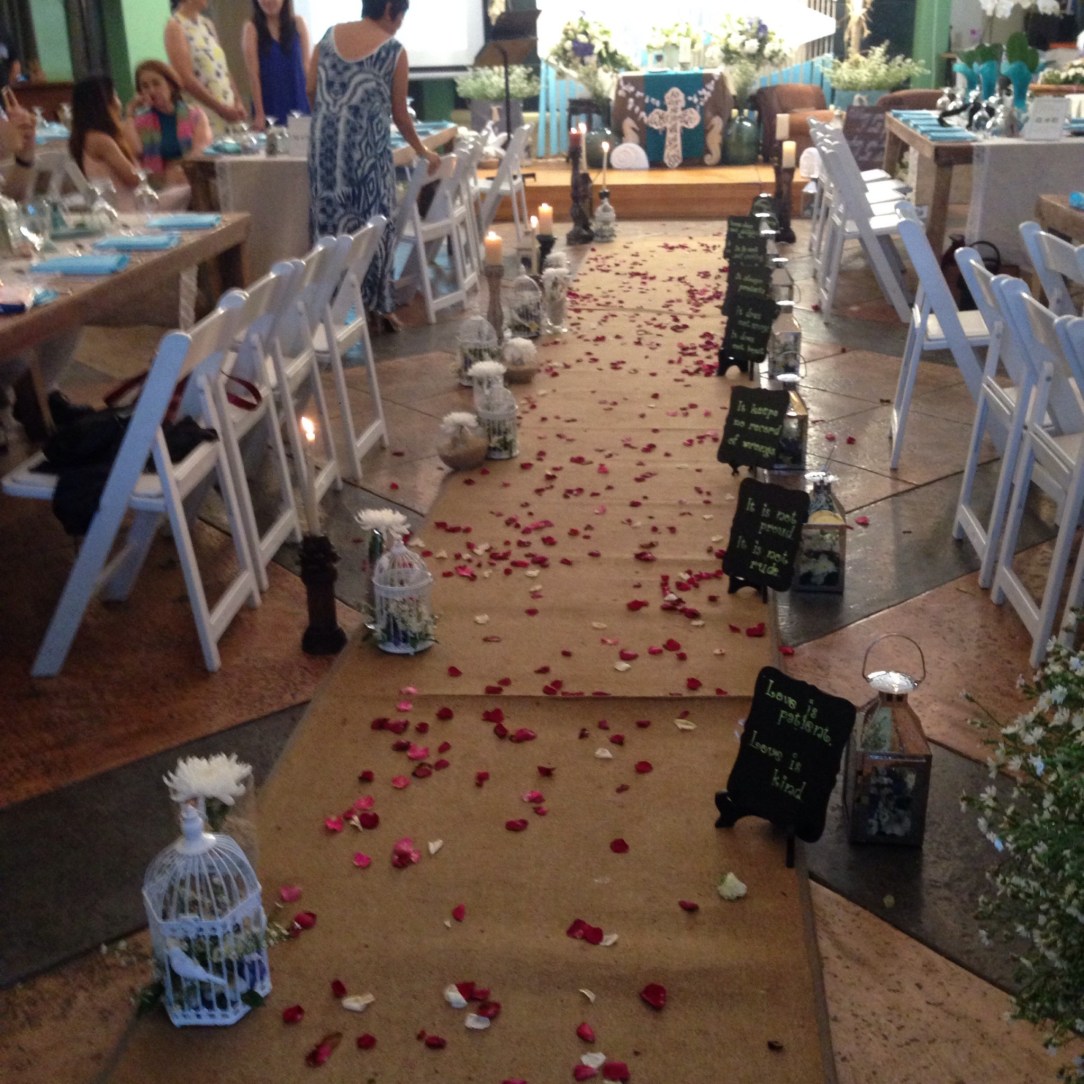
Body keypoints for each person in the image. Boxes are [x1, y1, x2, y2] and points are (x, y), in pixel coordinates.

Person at [307, 0, 440, 329]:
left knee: (328, 223)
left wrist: (332, 119)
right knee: (375, 224)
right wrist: (423, 150)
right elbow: (401, 116)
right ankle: (378, 306)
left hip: (326, 150)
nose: (400, 23)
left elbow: (311, 90)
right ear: (390, 9)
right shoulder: (394, 51)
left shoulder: (327, 38)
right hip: (368, 152)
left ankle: (328, 309)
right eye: (401, 15)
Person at [165, 0, 246, 139]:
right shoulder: (175, 26)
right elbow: (185, 79)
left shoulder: (207, 24)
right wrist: (221, 109)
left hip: (227, 108)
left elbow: (222, 67)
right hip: (202, 112)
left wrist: (237, 101)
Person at [126, 59, 212, 188]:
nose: (151, 90)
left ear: (170, 85)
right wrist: (130, 112)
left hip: (191, 180)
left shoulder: (195, 115)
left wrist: (176, 168)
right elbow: (136, 151)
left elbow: (200, 152)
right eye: (145, 86)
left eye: (156, 83)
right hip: (157, 185)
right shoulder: (140, 121)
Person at [69, 74, 143, 211]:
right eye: (115, 96)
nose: (119, 103)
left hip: (126, 204)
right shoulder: (101, 140)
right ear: (105, 104)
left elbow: (136, 150)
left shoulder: (86, 136)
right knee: (183, 192)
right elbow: (134, 179)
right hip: (126, 208)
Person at [241, 0, 310, 131]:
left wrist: (315, 104)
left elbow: (307, 67)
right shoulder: (251, 28)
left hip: (299, 100)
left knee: (302, 142)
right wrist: (260, 114)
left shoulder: (298, 23)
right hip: (270, 103)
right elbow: (253, 75)